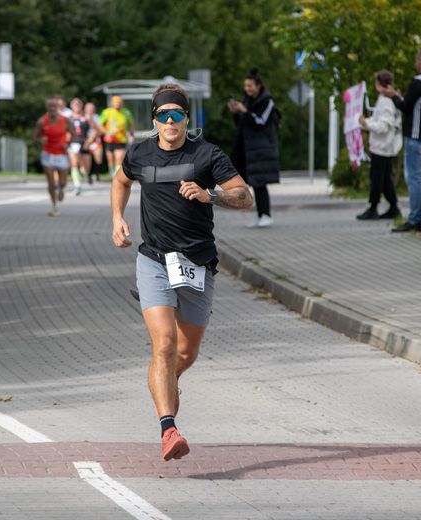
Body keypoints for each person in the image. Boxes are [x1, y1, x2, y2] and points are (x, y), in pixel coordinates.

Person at [111, 84, 253, 461]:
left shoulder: (207, 154)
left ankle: (168, 383)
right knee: (164, 345)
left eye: (176, 114)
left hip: (197, 263)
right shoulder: (140, 152)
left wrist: (212, 196)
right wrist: (116, 218)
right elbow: (121, 180)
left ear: (187, 118)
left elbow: (245, 196)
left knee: (186, 353)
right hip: (154, 259)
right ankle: (168, 428)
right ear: (154, 120)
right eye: (163, 116)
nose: (170, 122)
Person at [382, 49, 421, 232]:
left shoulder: (419, 82)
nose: (415, 64)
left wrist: (394, 96)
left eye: (416, 61)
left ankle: (415, 219)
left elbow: (406, 106)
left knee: (414, 178)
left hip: (416, 137)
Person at [228, 68, 280, 228]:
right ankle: (260, 215)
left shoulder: (267, 101)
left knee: (260, 183)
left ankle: (266, 215)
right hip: (249, 150)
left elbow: (260, 122)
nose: (247, 89)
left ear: (258, 86)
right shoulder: (248, 100)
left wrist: (244, 111)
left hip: (262, 149)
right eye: (246, 86)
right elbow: (242, 124)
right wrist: (236, 113)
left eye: (250, 86)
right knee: (252, 182)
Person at [357, 70, 403, 220]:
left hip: (382, 147)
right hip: (386, 146)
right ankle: (393, 206)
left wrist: (367, 124)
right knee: (385, 179)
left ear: (379, 85)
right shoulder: (389, 100)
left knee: (377, 178)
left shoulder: (385, 102)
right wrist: (367, 123)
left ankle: (373, 207)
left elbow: (383, 126)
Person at [33, 97, 73, 216]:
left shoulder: (65, 120)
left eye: (54, 106)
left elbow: (74, 133)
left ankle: (61, 189)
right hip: (48, 154)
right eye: (50, 106)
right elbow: (35, 138)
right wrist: (41, 139)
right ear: (47, 108)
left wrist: (68, 144)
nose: (52, 109)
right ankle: (54, 206)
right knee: (51, 182)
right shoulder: (42, 121)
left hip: (61, 153)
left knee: (62, 182)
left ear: (58, 107)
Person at [99, 95, 135, 177]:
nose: (117, 105)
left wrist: (131, 135)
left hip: (121, 139)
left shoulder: (126, 112)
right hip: (109, 140)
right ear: (112, 103)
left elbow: (131, 125)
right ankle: (112, 173)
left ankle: (116, 177)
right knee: (111, 160)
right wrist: (106, 132)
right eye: (116, 103)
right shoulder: (107, 112)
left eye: (119, 103)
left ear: (122, 103)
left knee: (119, 160)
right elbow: (100, 125)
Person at [68, 98, 93, 195]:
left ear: (81, 106)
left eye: (78, 104)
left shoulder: (87, 117)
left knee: (86, 169)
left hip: (85, 143)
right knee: (74, 163)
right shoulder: (68, 118)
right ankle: (77, 186)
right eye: (74, 104)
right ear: (71, 106)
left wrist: (89, 141)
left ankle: (83, 174)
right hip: (73, 143)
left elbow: (95, 131)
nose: (76, 106)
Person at [84, 101, 105, 183]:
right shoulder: (82, 117)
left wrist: (92, 122)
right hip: (84, 140)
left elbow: (100, 131)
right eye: (88, 108)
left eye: (92, 108)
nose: (90, 109)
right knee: (86, 160)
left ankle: (97, 174)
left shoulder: (97, 117)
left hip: (96, 140)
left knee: (98, 159)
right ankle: (88, 175)